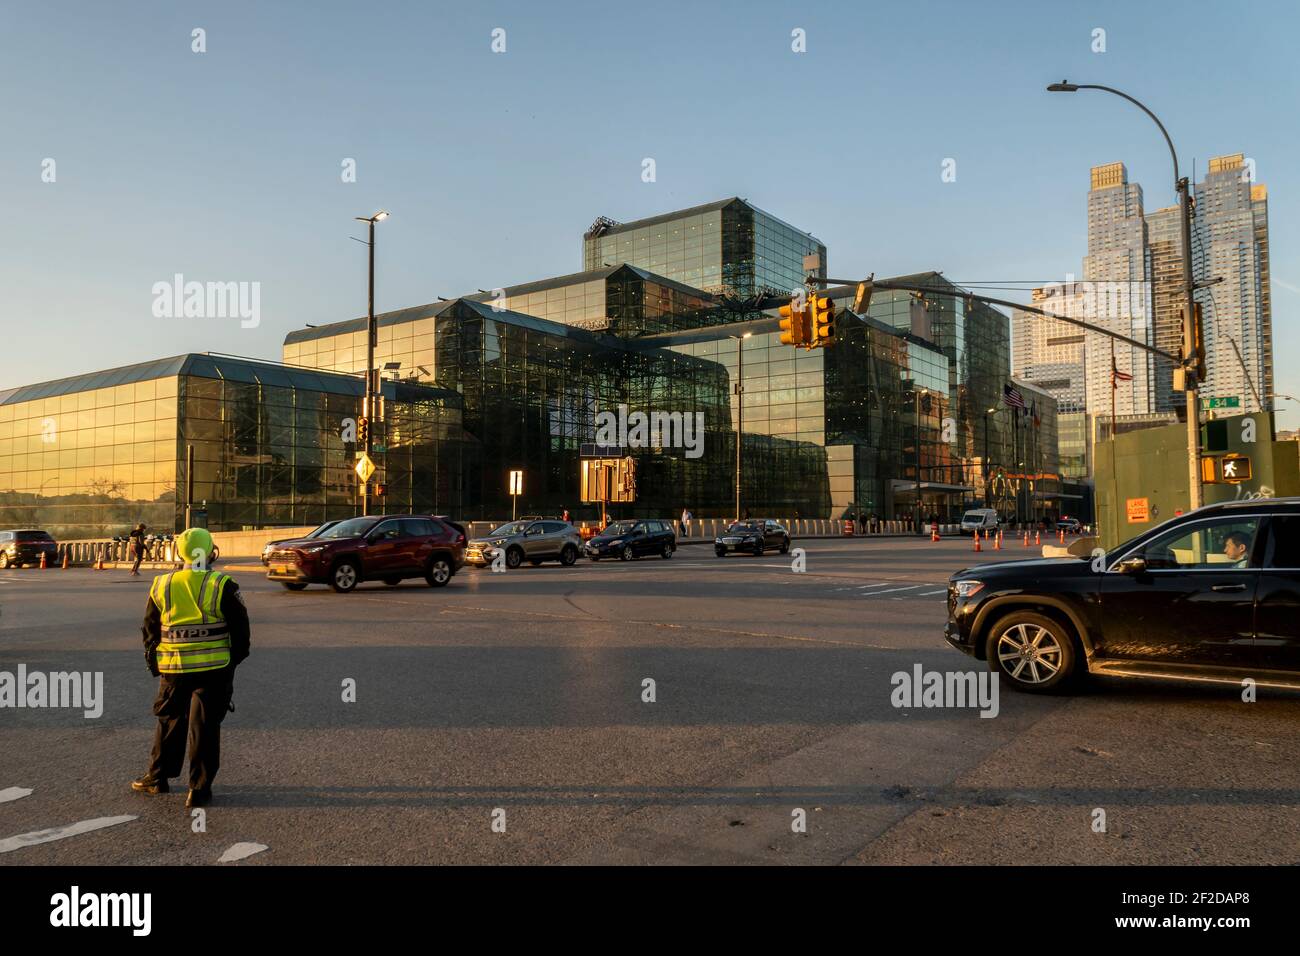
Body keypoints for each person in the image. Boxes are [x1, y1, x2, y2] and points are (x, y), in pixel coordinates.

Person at [132, 527, 250, 808]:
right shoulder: (222, 584)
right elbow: (241, 632)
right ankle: (198, 790)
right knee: (205, 726)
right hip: (214, 668)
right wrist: (232, 661)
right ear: (211, 552)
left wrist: (156, 663)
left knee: (170, 720)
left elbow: (150, 630)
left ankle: (157, 778)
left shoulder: (162, 584)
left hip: (174, 668)